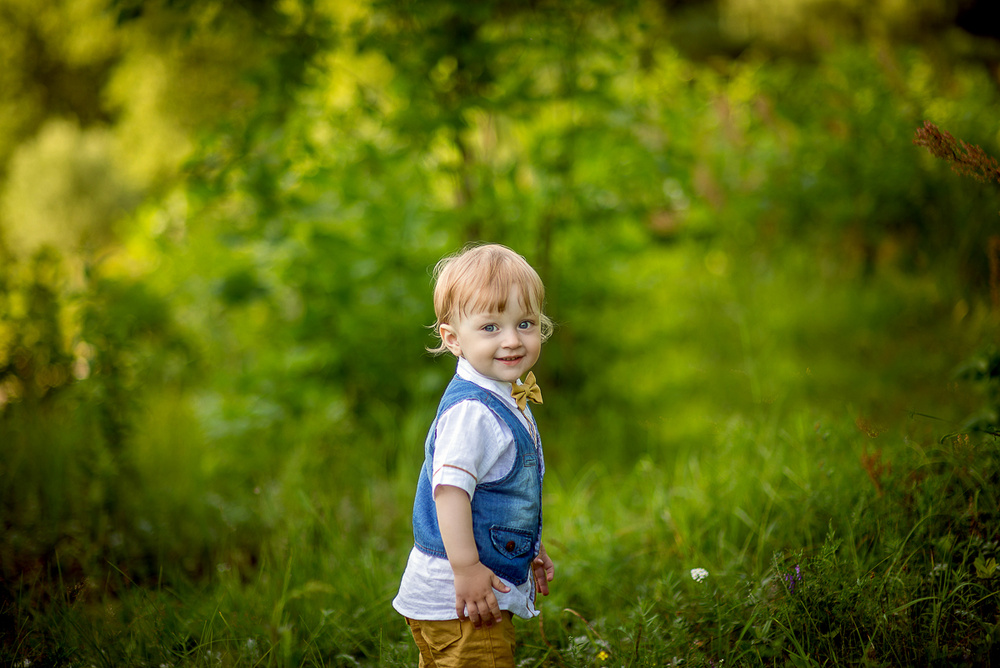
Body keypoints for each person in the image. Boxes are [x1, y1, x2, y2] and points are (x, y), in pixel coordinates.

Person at [393, 243, 556, 667]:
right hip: (462, 600)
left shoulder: (497, 397)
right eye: (489, 328)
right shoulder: (473, 412)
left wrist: (527, 549)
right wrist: (465, 569)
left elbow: (500, 494)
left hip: (465, 597)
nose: (511, 340)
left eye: (525, 323)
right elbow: (449, 492)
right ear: (453, 339)